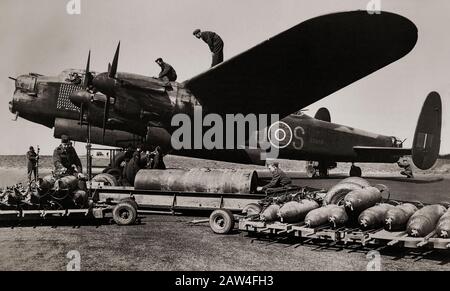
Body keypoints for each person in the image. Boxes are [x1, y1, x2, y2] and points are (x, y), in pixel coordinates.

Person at [52, 135, 87, 207]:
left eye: (68, 145)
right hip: (60, 172)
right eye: (65, 145)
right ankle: (61, 201)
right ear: (62, 143)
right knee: (61, 184)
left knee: (82, 180)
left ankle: (82, 199)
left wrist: (79, 172)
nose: (66, 147)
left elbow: (77, 161)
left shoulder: (71, 150)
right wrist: (61, 167)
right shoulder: (57, 150)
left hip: (70, 171)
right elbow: (56, 162)